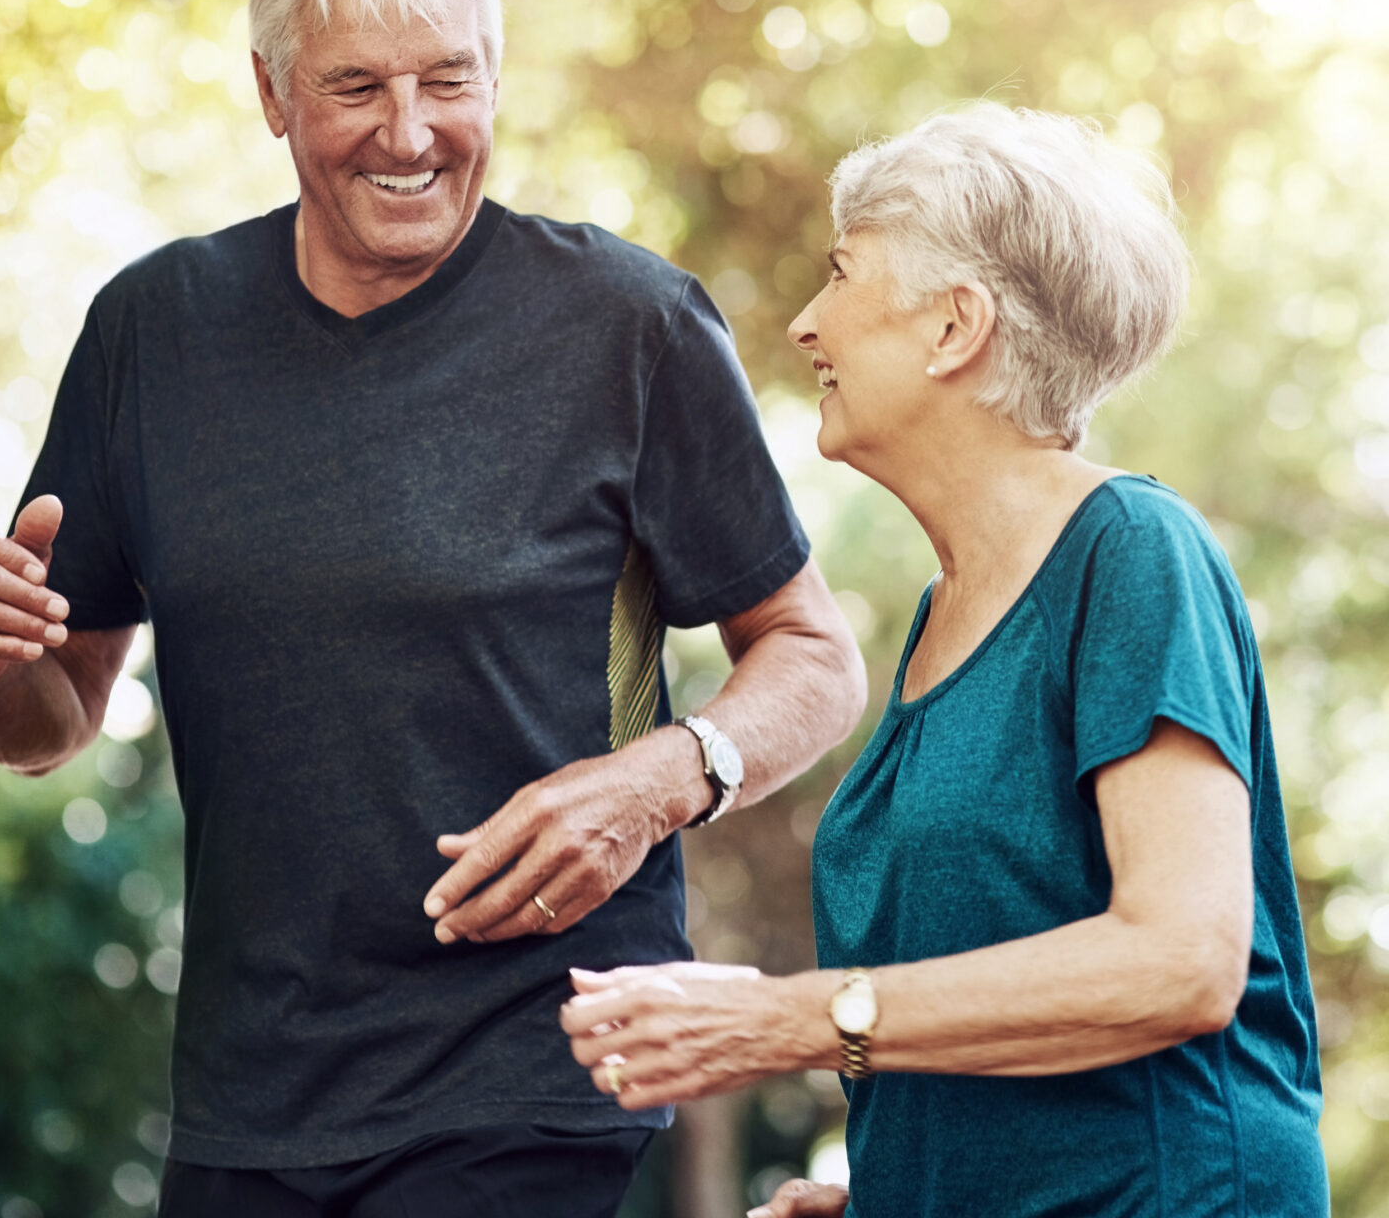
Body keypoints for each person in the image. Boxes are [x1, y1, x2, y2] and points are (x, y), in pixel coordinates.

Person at [0, 0, 867, 1217]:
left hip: (538, 1073)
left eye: (446, 83)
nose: (409, 134)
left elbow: (813, 655)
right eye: (355, 87)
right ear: (271, 92)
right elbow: (46, 719)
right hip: (252, 1100)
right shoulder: (153, 333)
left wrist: (663, 777)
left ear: (495, 79)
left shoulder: (627, 328)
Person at [557, 105, 1328, 1216]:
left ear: (954, 326)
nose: (809, 323)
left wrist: (784, 1017)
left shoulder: (1131, 554)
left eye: (841, 273)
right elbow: (994, 990)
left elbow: (1182, 960)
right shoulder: (940, 613)